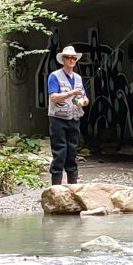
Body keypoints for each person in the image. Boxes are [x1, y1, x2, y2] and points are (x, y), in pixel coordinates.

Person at [47, 45, 89, 185]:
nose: (71, 60)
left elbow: (85, 98)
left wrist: (82, 102)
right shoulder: (54, 76)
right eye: (68, 57)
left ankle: (73, 188)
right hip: (58, 119)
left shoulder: (77, 78)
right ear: (63, 60)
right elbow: (53, 98)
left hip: (74, 118)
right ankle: (56, 189)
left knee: (72, 152)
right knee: (60, 152)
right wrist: (71, 93)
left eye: (73, 58)